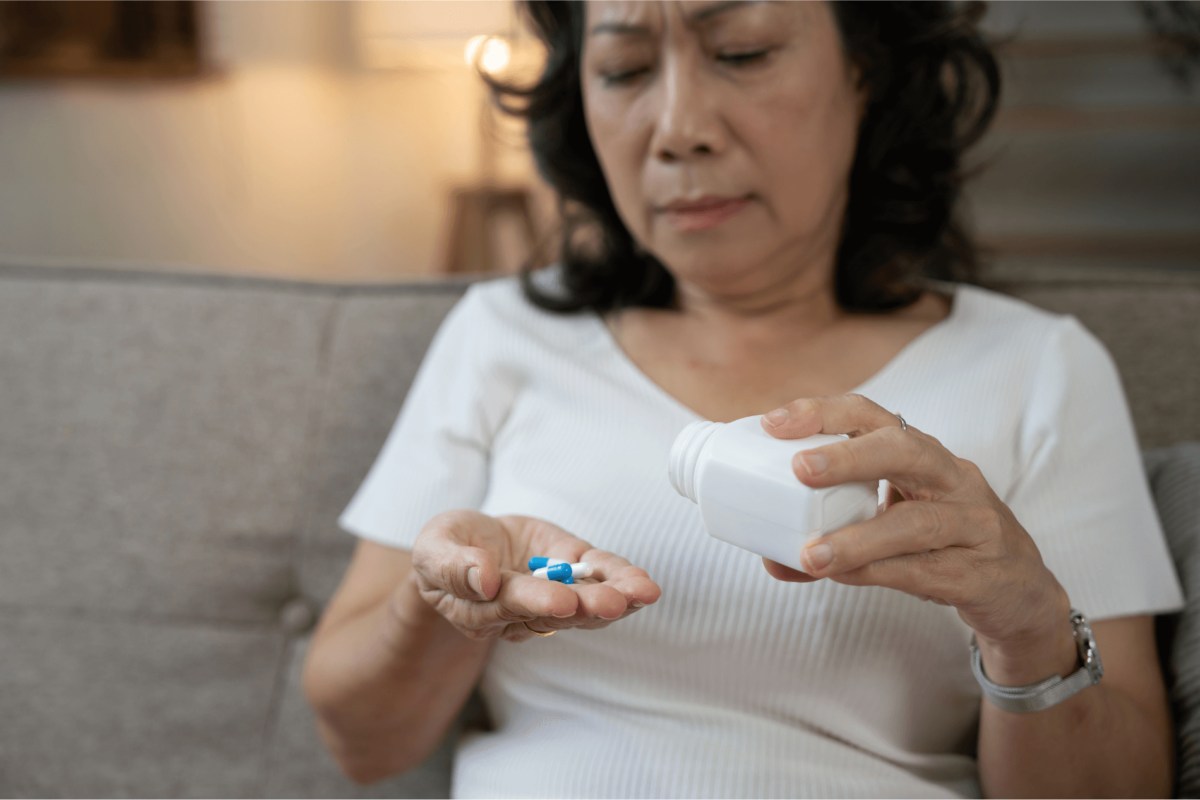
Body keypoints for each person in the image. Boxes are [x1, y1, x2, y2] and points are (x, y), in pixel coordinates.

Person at [302, 2, 1185, 797]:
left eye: (743, 51)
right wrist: (444, 599)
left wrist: (1028, 624)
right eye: (624, 70)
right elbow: (365, 747)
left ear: (864, 68)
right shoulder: (501, 336)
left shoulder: (1037, 366)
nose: (679, 128)